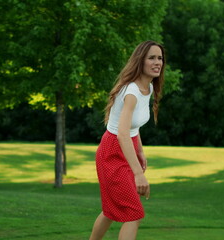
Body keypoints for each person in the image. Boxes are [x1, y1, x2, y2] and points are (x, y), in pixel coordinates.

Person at [89, 40, 165, 240]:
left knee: (111, 210)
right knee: (134, 213)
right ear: (140, 61)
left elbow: (133, 127)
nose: (158, 62)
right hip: (112, 151)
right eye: (152, 58)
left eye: (160, 58)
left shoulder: (146, 88)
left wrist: (139, 151)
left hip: (127, 147)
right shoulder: (131, 92)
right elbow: (122, 133)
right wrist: (138, 174)